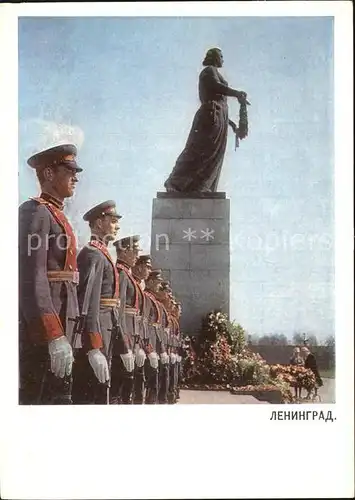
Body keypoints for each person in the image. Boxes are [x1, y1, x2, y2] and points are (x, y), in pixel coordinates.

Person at [19, 144, 82, 404]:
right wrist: (53, 334)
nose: (76, 177)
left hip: (64, 321)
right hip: (45, 329)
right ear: (48, 174)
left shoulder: (55, 214)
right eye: (69, 171)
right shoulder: (35, 211)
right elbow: (31, 277)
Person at [164, 47, 249, 193]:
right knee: (198, 149)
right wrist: (236, 93)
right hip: (211, 115)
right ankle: (174, 182)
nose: (223, 59)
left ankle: (200, 186)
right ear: (214, 57)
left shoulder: (213, 71)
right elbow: (215, 87)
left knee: (211, 153)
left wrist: (231, 123)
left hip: (218, 116)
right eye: (221, 56)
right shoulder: (209, 71)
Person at [71, 200, 132, 404]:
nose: (117, 226)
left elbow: (112, 308)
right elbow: (87, 304)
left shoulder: (102, 254)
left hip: (107, 331)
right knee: (92, 396)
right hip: (98, 334)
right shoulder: (92, 254)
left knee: (101, 394)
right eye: (113, 221)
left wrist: (123, 345)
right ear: (99, 223)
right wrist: (93, 347)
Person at [113, 235, 146, 404]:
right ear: (123, 251)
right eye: (134, 251)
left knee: (127, 388)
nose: (136, 256)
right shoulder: (121, 274)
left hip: (131, 338)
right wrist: (125, 345)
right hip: (123, 339)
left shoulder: (127, 275)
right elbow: (119, 313)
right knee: (120, 389)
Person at [132, 255, 160, 403]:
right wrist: (143, 347)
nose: (149, 270)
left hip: (143, 343)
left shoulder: (145, 294)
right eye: (147, 266)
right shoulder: (144, 293)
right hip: (134, 343)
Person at [144, 269, 168, 404]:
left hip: (155, 347)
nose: (159, 286)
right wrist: (149, 349)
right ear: (151, 282)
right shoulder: (147, 297)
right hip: (149, 347)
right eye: (158, 283)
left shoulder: (154, 300)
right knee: (147, 386)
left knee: (153, 386)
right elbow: (145, 325)